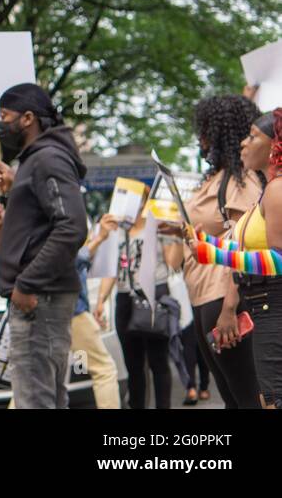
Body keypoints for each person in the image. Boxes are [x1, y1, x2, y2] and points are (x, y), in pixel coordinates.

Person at [0, 83, 87, 409]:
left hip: (38, 299)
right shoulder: (38, 160)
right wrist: (12, 192)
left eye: (5, 115)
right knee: (47, 397)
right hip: (41, 298)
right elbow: (41, 223)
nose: (1, 123)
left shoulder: (48, 158)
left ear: (28, 118)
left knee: (36, 399)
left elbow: (72, 225)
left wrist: (28, 283)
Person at [163, 96, 263, 408]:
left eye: (205, 129)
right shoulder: (216, 179)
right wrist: (181, 231)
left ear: (222, 132)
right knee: (232, 399)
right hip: (202, 297)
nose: (200, 138)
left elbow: (246, 245)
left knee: (248, 398)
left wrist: (230, 308)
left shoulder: (241, 180)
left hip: (224, 298)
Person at [183, 106, 282, 408]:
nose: (243, 142)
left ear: (275, 145)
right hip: (264, 310)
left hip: (274, 310)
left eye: (253, 136)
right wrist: (207, 244)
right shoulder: (268, 191)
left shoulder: (277, 190)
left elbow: (278, 260)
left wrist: (214, 254)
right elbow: (245, 248)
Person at [97, 183, 182, 409]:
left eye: (139, 200)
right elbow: (111, 271)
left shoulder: (158, 227)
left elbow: (174, 263)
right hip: (126, 298)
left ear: (146, 203)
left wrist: (178, 235)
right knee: (133, 366)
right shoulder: (116, 230)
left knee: (158, 362)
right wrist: (100, 300)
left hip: (155, 295)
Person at [72, 216, 121, 409]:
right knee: (104, 369)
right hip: (71, 307)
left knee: (35, 376)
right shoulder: (60, 199)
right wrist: (99, 238)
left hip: (47, 307)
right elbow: (73, 259)